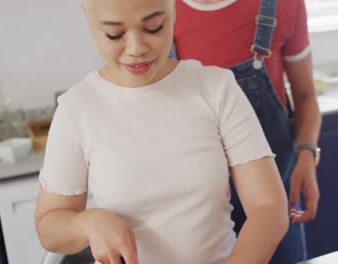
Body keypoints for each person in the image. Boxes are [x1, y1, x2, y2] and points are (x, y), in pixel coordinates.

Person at [34, 0, 290, 263]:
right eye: (115, 34)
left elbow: (268, 207)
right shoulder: (77, 108)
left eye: (154, 27)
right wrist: (88, 222)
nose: (136, 49)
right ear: (89, 21)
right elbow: (49, 227)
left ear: (174, 11)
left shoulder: (215, 88)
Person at [173, 0, 322, 262]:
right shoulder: (157, 11)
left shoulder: (281, 5)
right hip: (202, 214)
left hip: (278, 203)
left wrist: (307, 153)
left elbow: (306, 96)